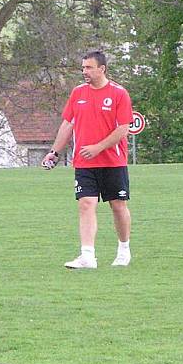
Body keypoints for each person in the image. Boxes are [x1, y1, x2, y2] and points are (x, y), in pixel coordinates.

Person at [42, 51, 133, 269]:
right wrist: (54, 152)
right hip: (84, 163)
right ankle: (87, 256)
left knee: (118, 206)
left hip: (113, 162)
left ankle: (124, 250)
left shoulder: (119, 94)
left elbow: (123, 129)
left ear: (102, 69)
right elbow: (67, 124)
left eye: (89, 67)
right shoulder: (77, 93)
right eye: (83, 68)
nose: (85, 72)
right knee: (86, 204)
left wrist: (98, 147)